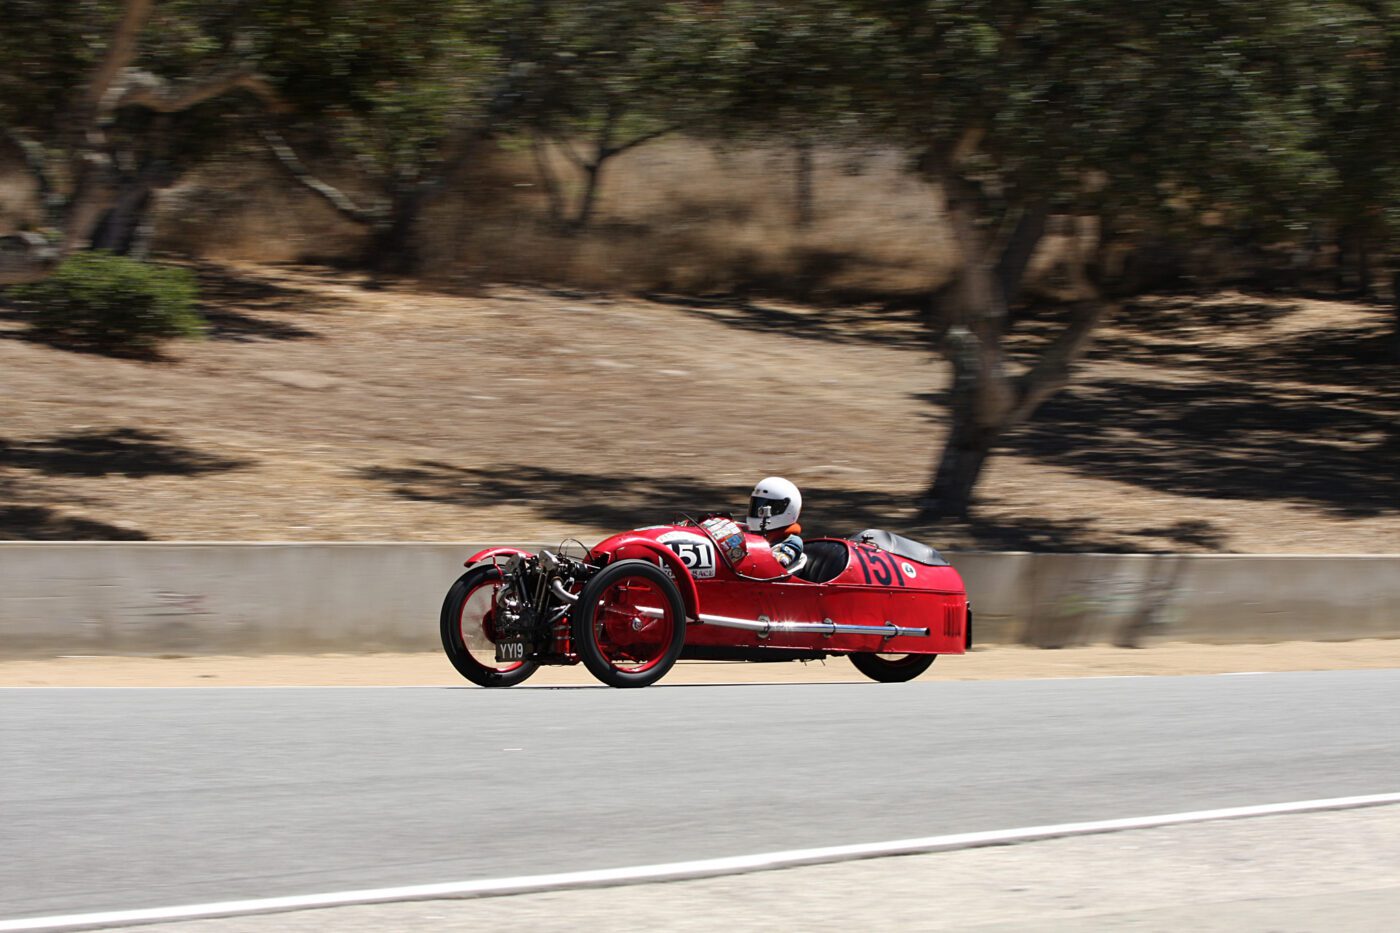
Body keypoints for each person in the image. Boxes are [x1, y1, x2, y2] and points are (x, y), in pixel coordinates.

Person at [746, 476, 804, 568]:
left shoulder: (792, 542)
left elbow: (776, 564)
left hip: (771, 580)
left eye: (763, 509)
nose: (759, 512)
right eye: (756, 505)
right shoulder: (756, 535)